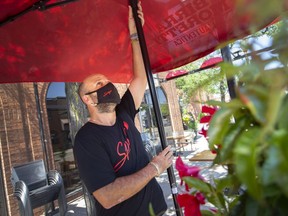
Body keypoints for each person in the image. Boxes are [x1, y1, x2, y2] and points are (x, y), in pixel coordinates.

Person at [73, 2, 173, 216]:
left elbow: (140, 77)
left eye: (107, 81)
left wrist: (135, 36)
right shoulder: (86, 139)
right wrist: (154, 168)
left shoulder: (123, 112)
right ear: (87, 100)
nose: (107, 85)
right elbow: (108, 197)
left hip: (158, 210)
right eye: (99, 84)